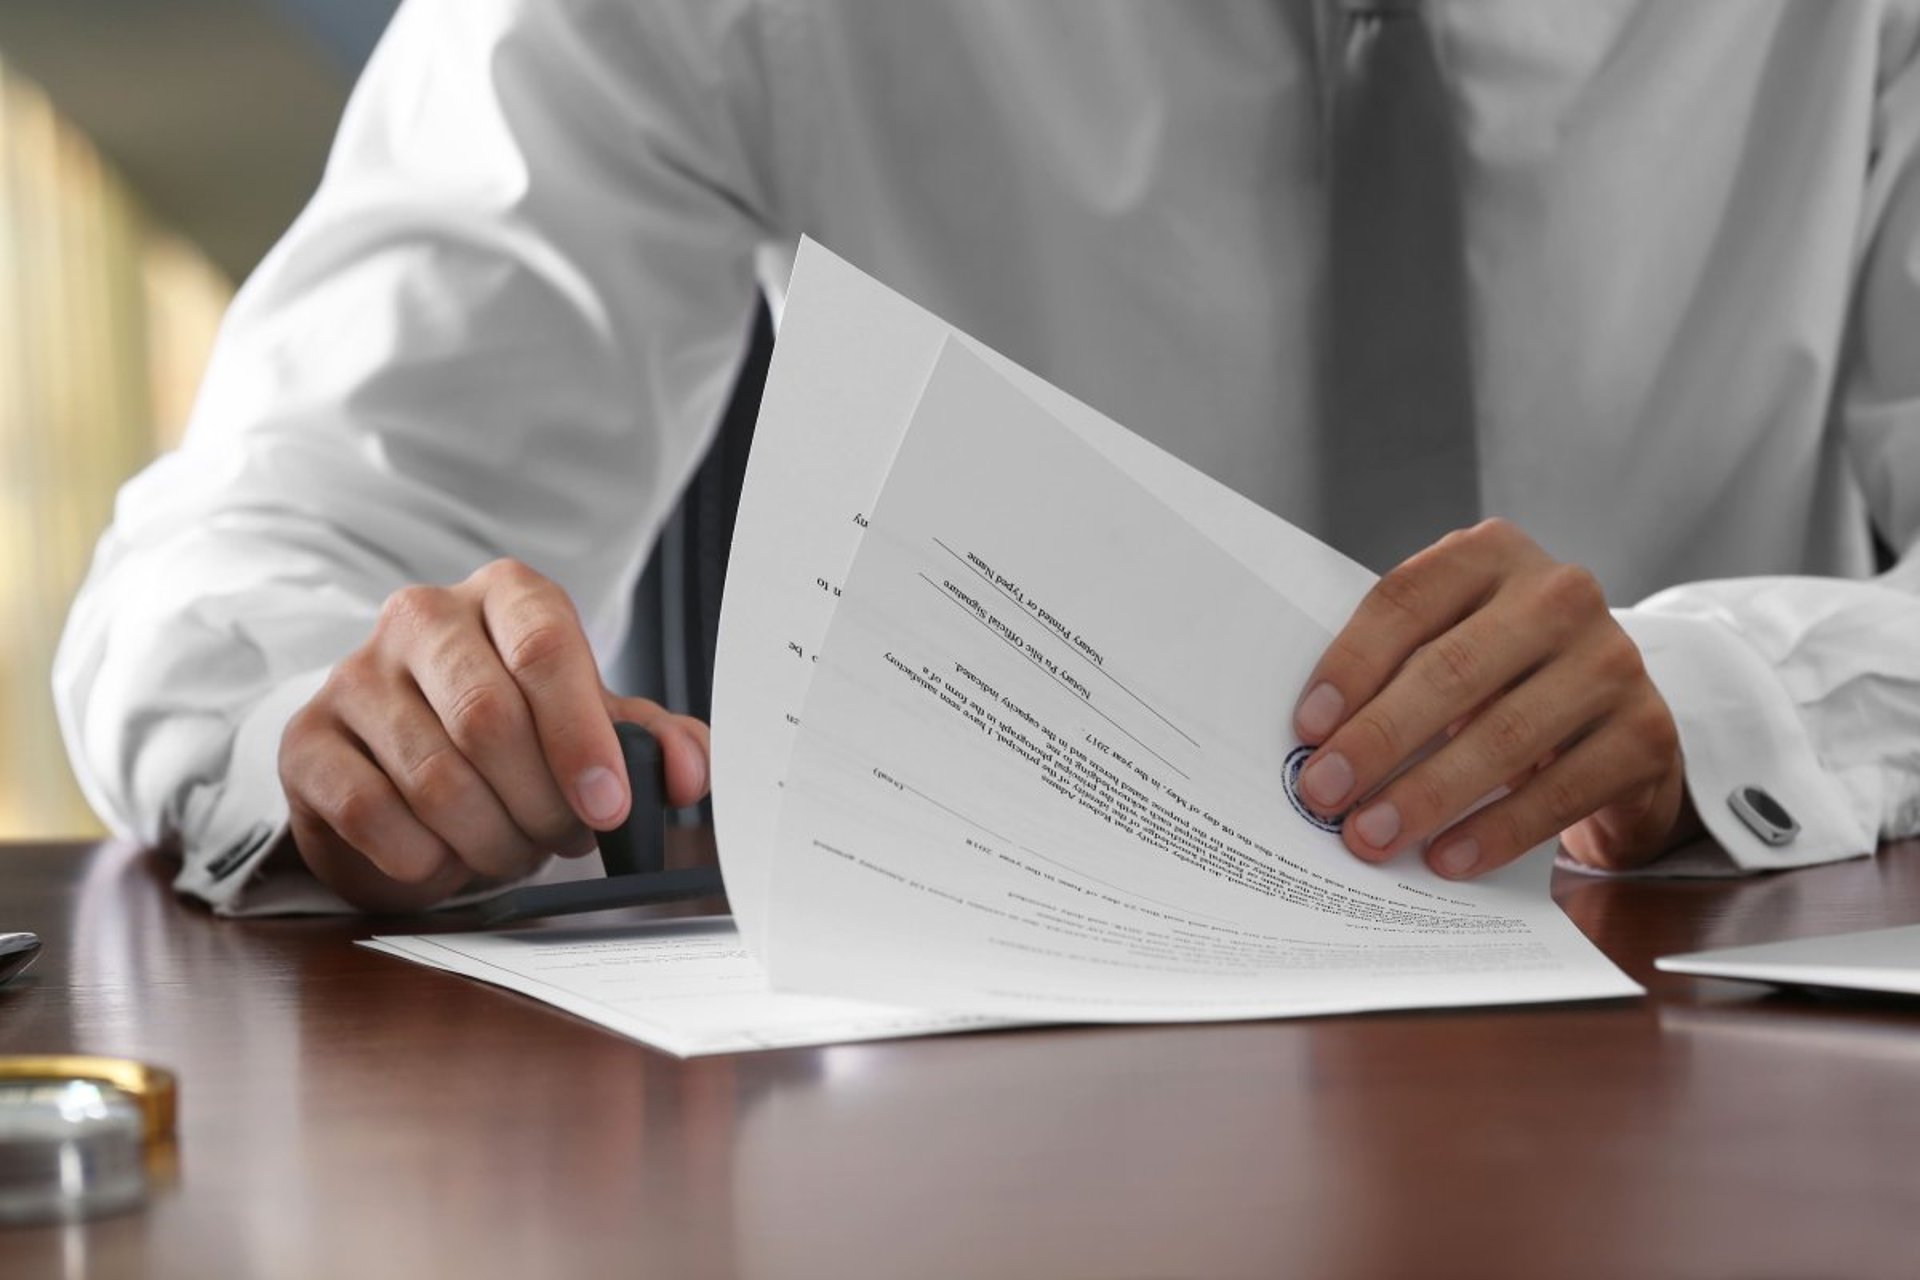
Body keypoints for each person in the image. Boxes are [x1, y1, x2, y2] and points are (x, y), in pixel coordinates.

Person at [54, 0, 1920, 914]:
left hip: (1713, 1040)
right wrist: (359, 730)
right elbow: (251, 553)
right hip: (982, 1106)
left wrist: (1726, 704)